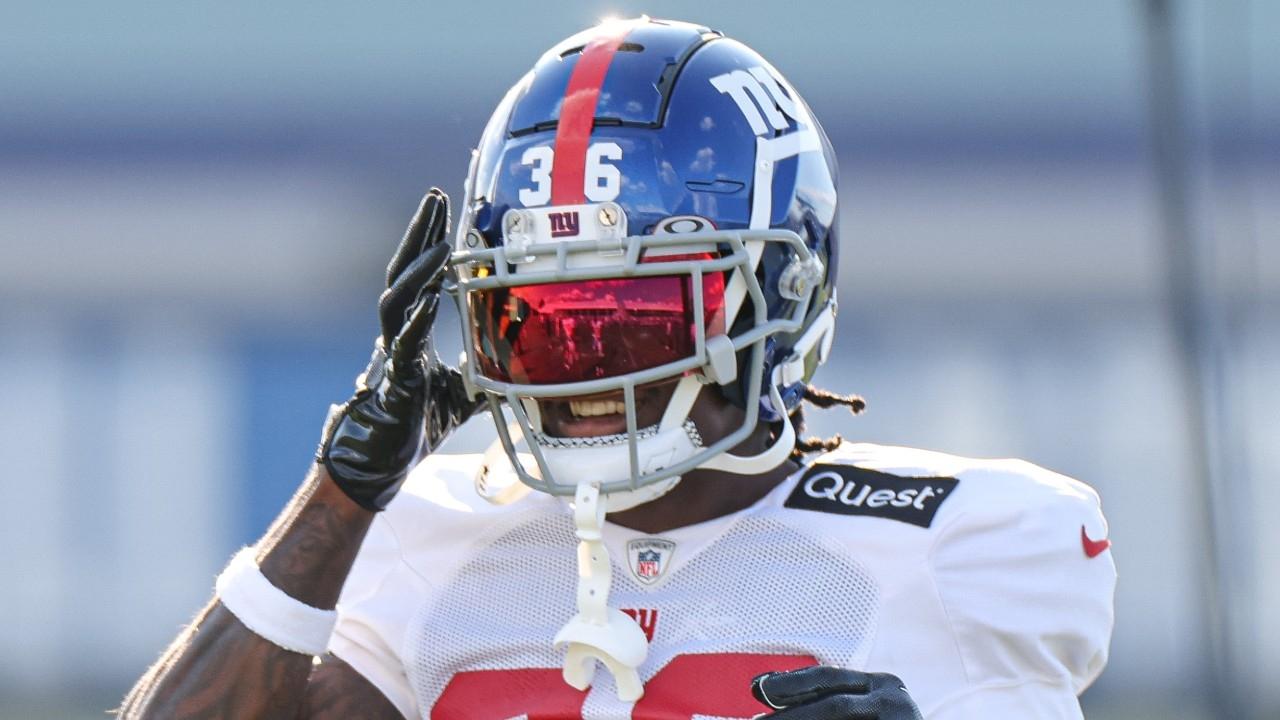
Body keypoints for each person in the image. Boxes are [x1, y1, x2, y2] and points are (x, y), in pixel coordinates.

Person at [119, 17, 1115, 719]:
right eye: (538, 322)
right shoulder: (431, 537)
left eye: (629, 319)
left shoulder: (948, 550)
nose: (583, 376)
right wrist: (339, 499)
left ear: (775, 297)